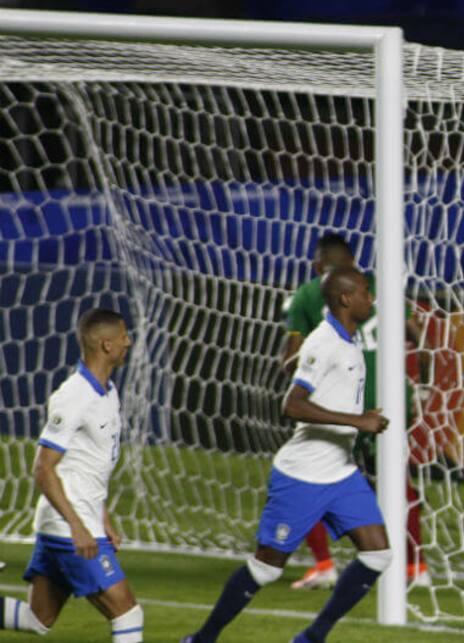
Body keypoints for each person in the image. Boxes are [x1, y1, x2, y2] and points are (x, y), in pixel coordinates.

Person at [184, 266, 392, 643]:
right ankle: (202, 639)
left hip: (341, 473)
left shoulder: (349, 339)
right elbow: (292, 405)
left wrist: (359, 419)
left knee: (378, 555)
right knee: (266, 569)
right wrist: (357, 420)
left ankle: (312, 637)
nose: (371, 298)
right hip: (302, 475)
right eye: (365, 292)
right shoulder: (323, 342)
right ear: (346, 298)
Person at [280, 233, 427, 589]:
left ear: (318, 267)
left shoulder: (309, 295)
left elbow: (290, 359)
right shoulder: (379, 288)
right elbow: (417, 336)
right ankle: (416, 568)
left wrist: (306, 366)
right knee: (398, 481)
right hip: (390, 401)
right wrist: (422, 385)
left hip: (339, 405)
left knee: (306, 479)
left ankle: (324, 564)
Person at [0, 309, 143, 642]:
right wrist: (78, 525)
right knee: (128, 613)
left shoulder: (108, 391)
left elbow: (88, 465)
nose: (128, 342)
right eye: (123, 336)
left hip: (76, 520)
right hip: (69, 526)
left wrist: (103, 518)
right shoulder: (74, 396)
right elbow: (43, 468)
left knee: (39, 618)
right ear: (106, 344)